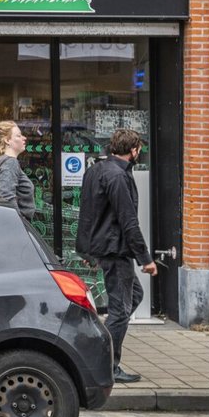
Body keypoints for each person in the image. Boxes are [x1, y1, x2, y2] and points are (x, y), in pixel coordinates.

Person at [75, 128, 158, 384]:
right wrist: (146, 259)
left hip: (103, 248)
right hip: (115, 250)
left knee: (134, 296)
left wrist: (85, 249)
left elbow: (86, 212)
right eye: (138, 149)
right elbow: (128, 221)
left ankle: (103, 339)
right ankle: (107, 366)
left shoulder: (95, 170)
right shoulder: (118, 177)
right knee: (121, 310)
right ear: (134, 150)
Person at [0, 119, 35, 219]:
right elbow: (6, 196)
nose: (24, 138)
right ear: (7, 140)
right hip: (15, 226)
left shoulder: (0, 161)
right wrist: (18, 222)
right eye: (18, 136)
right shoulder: (10, 163)